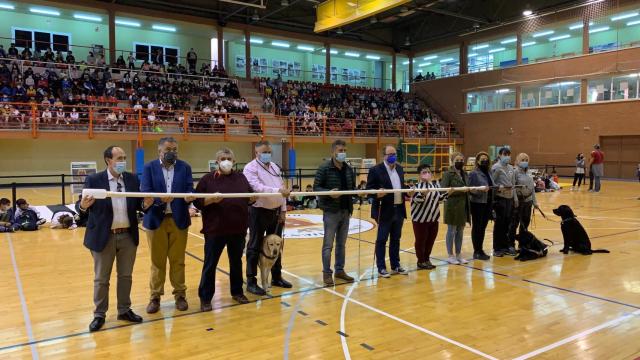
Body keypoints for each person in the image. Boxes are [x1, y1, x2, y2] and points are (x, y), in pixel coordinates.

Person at [77, 146, 153, 332]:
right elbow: (83, 209)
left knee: (125, 276)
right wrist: (83, 206)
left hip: (128, 235)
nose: (122, 161)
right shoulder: (95, 179)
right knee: (101, 279)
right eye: (119, 158)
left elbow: (138, 206)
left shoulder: (132, 179)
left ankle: (124, 310)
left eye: (124, 158)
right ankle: (99, 314)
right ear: (108, 160)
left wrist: (146, 204)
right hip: (104, 237)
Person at [140, 137, 195, 314]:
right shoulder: (149, 167)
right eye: (168, 149)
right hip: (156, 220)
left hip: (179, 219)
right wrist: (158, 199)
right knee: (157, 262)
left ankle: (180, 295)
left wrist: (189, 197)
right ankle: (155, 297)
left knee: (178, 261)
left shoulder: (185, 167)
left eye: (174, 149)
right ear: (159, 151)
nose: (172, 152)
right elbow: (145, 191)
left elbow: (189, 189)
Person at [195, 148, 252, 310]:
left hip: (238, 229)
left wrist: (252, 199)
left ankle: (237, 292)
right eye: (223, 158)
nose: (226, 161)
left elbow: (249, 197)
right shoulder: (207, 179)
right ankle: (205, 298)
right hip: (215, 230)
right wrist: (210, 200)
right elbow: (197, 202)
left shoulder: (241, 178)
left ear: (233, 161)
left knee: (236, 263)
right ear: (217, 161)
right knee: (210, 264)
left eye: (229, 158)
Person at [243, 140, 292, 295]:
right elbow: (256, 187)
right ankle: (251, 281)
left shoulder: (275, 167)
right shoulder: (250, 168)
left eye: (269, 152)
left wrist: (283, 209)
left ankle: (276, 277)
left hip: (276, 212)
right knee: (254, 246)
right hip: (258, 212)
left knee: (277, 245)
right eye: (264, 152)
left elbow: (283, 190)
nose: (267, 154)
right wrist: (278, 190)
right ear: (256, 153)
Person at [313, 139, 356, 285]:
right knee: (328, 245)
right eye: (340, 151)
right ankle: (326, 273)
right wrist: (328, 193)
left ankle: (339, 270)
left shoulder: (349, 169)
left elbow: (352, 190)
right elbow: (316, 188)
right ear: (333, 152)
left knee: (341, 244)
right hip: (331, 212)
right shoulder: (324, 168)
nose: (342, 153)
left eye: (344, 151)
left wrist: (360, 194)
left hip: (346, 211)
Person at [366, 145, 408, 278]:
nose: (393, 156)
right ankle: (381, 267)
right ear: (384, 156)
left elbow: (401, 186)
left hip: (399, 209)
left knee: (396, 239)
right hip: (384, 210)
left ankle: (395, 265)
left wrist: (408, 192)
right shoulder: (375, 170)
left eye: (394, 153)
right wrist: (376, 194)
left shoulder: (400, 169)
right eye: (390, 154)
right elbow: (369, 190)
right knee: (382, 239)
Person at [410, 164, 447, 269]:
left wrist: (449, 193)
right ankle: (420, 261)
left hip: (434, 218)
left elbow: (439, 199)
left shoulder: (435, 186)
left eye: (428, 172)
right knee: (421, 240)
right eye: (424, 172)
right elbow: (417, 201)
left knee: (431, 240)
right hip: (420, 220)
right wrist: (423, 194)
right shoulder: (415, 187)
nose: (427, 174)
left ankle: (427, 259)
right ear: (419, 175)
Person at [440, 152, 470, 264]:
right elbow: (443, 190)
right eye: (457, 160)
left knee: (460, 231)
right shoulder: (448, 174)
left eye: (462, 160)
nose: (460, 162)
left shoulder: (465, 174)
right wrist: (460, 189)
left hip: (463, 206)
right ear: (452, 161)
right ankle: (450, 255)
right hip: (452, 206)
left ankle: (458, 254)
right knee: (451, 231)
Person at [492, 147, 518, 257]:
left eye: (508, 154)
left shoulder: (511, 168)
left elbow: (513, 185)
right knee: (499, 224)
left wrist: (515, 198)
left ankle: (505, 246)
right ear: (499, 155)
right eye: (505, 154)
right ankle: (497, 248)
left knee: (508, 224)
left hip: (510, 199)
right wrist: (501, 187)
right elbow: (492, 183)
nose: (507, 156)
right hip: (500, 198)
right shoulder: (496, 167)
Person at [468, 152, 493, 261]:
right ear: (477, 161)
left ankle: (480, 249)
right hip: (477, 203)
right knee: (477, 227)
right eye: (482, 159)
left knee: (483, 227)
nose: (485, 161)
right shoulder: (474, 173)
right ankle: (476, 251)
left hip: (488, 203)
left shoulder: (489, 172)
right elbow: (470, 189)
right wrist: (480, 190)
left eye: (486, 159)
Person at [510, 153, 540, 240]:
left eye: (526, 160)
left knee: (525, 223)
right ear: (518, 161)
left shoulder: (529, 172)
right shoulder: (515, 172)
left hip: (528, 201)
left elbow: (532, 189)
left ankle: (522, 243)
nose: (525, 162)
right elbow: (513, 186)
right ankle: (511, 244)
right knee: (514, 223)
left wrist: (535, 202)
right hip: (519, 202)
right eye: (522, 160)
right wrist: (515, 199)